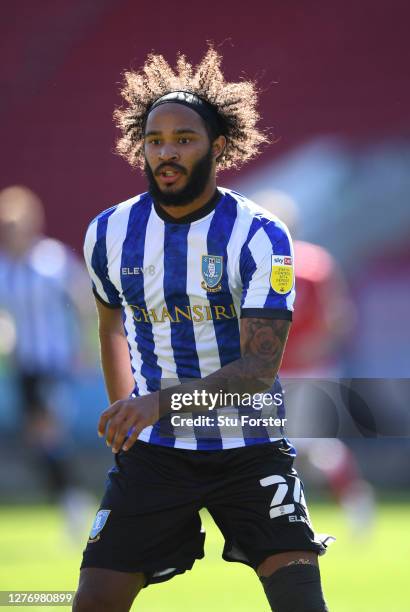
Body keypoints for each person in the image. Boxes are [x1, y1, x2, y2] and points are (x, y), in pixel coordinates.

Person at [74, 47, 331, 612]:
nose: (166, 152)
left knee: (300, 603)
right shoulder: (109, 233)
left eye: (184, 139)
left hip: (251, 446)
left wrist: (154, 404)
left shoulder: (261, 236)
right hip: (158, 452)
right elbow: (110, 323)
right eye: (154, 139)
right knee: (93, 602)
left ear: (217, 147)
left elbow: (259, 371)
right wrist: (127, 414)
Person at [0, 185, 95, 538]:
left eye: (16, 224)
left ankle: (74, 501)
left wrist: (85, 346)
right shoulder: (4, 270)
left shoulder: (52, 261)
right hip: (24, 365)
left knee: (48, 431)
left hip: (55, 363)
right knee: (39, 439)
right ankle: (71, 497)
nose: (12, 232)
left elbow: (84, 301)